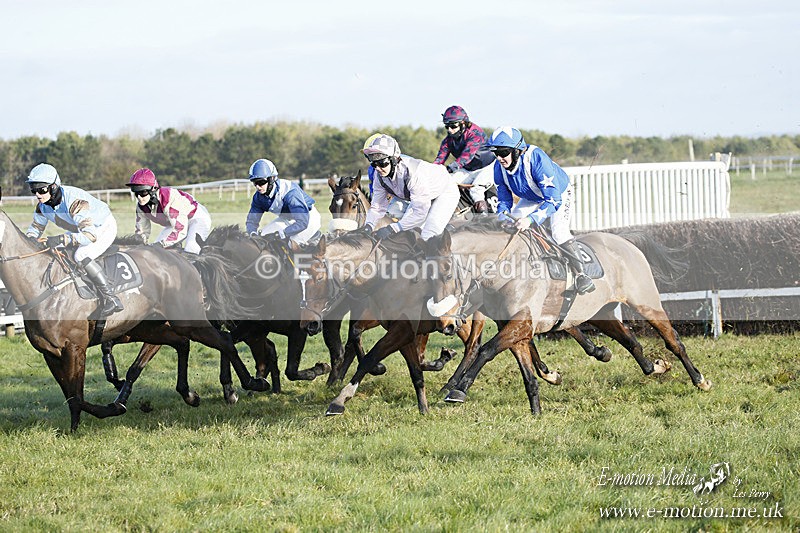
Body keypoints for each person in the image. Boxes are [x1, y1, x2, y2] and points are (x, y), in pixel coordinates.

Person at [488, 126, 595, 294]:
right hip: (532, 197)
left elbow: (553, 201)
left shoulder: (536, 158)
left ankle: (582, 275)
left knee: (559, 232)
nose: (499, 157)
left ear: (517, 151)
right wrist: (501, 218)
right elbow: (504, 200)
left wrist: (530, 219)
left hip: (558, 194)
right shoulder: (498, 167)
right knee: (508, 226)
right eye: (495, 152)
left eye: (503, 152)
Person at [25, 163, 124, 317]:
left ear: (54, 187)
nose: (37, 194)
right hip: (81, 229)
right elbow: (35, 229)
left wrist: (61, 239)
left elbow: (90, 236)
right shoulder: (42, 206)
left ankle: (111, 298)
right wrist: (29, 242)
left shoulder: (75, 201)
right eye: (34, 189)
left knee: (80, 255)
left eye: (42, 189)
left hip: (101, 226)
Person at [362, 133, 459, 241]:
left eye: (382, 163)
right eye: (374, 164)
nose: (378, 168)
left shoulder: (412, 173)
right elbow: (377, 207)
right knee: (409, 234)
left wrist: (391, 228)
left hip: (444, 192)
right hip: (422, 196)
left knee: (428, 235)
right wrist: (368, 226)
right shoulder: (379, 176)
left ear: (394, 159)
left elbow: (419, 213)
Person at [126, 168, 211, 254]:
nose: (139, 197)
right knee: (156, 252)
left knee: (191, 248)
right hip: (174, 223)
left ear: (153, 189)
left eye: (143, 192)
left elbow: (180, 231)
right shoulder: (141, 207)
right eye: (136, 193)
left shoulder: (169, 199)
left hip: (196, 218)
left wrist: (160, 244)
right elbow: (141, 233)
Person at [433, 105, 496, 213]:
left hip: (488, 167)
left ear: (463, 124)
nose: (450, 130)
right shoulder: (448, 140)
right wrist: (431, 171)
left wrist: (449, 169)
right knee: (446, 183)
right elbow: (439, 159)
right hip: (468, 169)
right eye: (447, 127)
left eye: (453, 126)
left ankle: (484, 219)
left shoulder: (475, 134)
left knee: (476, 190)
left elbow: (466, 157)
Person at [245, 158, 321, 245]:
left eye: (261, 182)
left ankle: (313, 239)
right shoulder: (258, 198)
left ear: (272, 179)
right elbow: (252, 221)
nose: (258, 187)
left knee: (289, 245)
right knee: (262, 239)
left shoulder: (290, 193)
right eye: (255, 183)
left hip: (308, 219)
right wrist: (253, 233)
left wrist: (280, 234)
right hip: (287, 218)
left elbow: (302, 223)